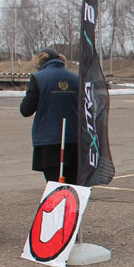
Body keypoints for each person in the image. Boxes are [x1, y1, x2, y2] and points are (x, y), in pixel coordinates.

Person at [20, 47, 79, 183]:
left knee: (53, 182)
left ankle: (57, 203)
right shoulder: (76, 78)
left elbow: (26, 110)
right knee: (72, 182)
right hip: (74, 138)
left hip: (49, 140)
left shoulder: (38, 78)